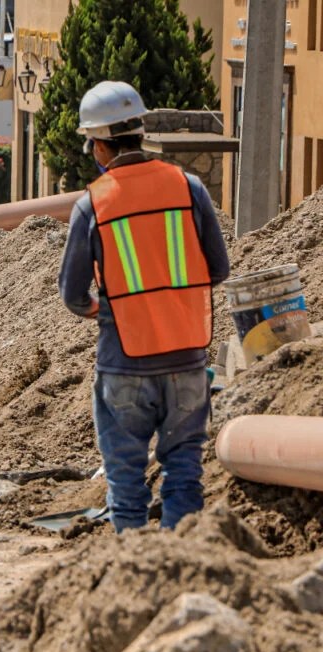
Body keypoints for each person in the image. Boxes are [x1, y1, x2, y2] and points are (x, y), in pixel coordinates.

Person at [58, 81, 230, 534]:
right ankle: (179, 575)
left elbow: (74, 295)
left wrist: (106, 309)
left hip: (125, 365)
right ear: (139, 131)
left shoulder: (92, 203)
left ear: (99, 143)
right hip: (188, 359)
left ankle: (135, 585)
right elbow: (217, 269)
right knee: (185, 479)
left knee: (128, 490)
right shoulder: (189, 188)